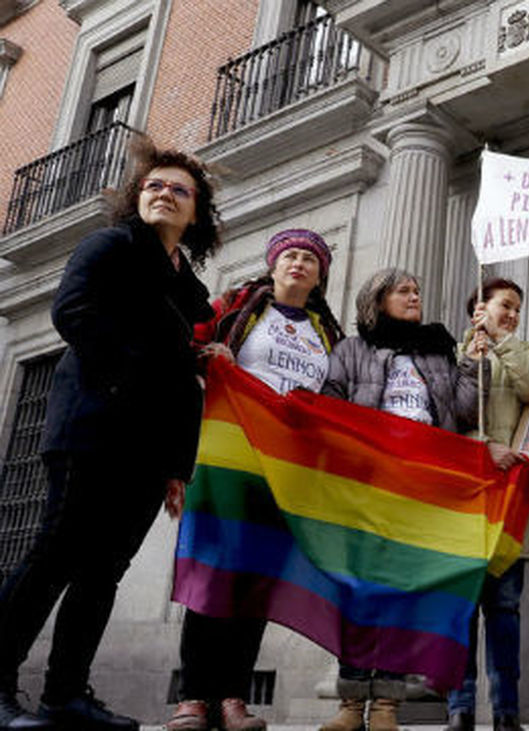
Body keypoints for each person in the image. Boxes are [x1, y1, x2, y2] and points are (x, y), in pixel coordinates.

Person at [0, 140, 221, 731]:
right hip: (93, 426)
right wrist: (137, 375)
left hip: (148, 450)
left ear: (196, 211)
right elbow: (72, 312)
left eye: (179, 189)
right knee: (54, 555)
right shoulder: (111, 245)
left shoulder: (188, 289)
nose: (164, 193)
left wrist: (176, 466)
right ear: (136, 197)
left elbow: (182, 379)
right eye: (154, 185)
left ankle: (65, 695)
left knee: (103, 572)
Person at [165, 228, 344, 731]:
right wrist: (214, 357)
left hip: (286, 471)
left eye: (310, 258)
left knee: (258, 581)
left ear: (320, 275)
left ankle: (233, 698)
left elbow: (337, 401)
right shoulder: (237, 307)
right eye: (290, 255)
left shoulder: (328, 333)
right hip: (228, 459)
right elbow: (188, 341)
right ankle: (193, 697)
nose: (299, 263)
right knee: (213, 571)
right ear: (273, 265)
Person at [319, 267, 483, 731]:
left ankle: (386, 707)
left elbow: (464, 412)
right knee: (359, 595)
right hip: (368, 485)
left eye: (417, 291)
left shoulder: (438, 349)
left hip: (421, 487)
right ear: (377, 300)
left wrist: (473, 364)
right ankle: (351, 705)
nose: (415, 297)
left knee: (401, 596)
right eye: (403, 291)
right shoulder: (351, 350)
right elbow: (330, 405)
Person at [445, 277, 529, 731]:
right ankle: (459, 708)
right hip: (464, 500)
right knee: (461, 610)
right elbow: (446, 417)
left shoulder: (525, 352)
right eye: (504, 305)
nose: (511, 314)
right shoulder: (454, 354)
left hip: (510, 502)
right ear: (480, 306)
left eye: (516, 309)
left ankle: (506, 711)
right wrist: (482, 445)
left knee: (505, 609)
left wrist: (502, 343)